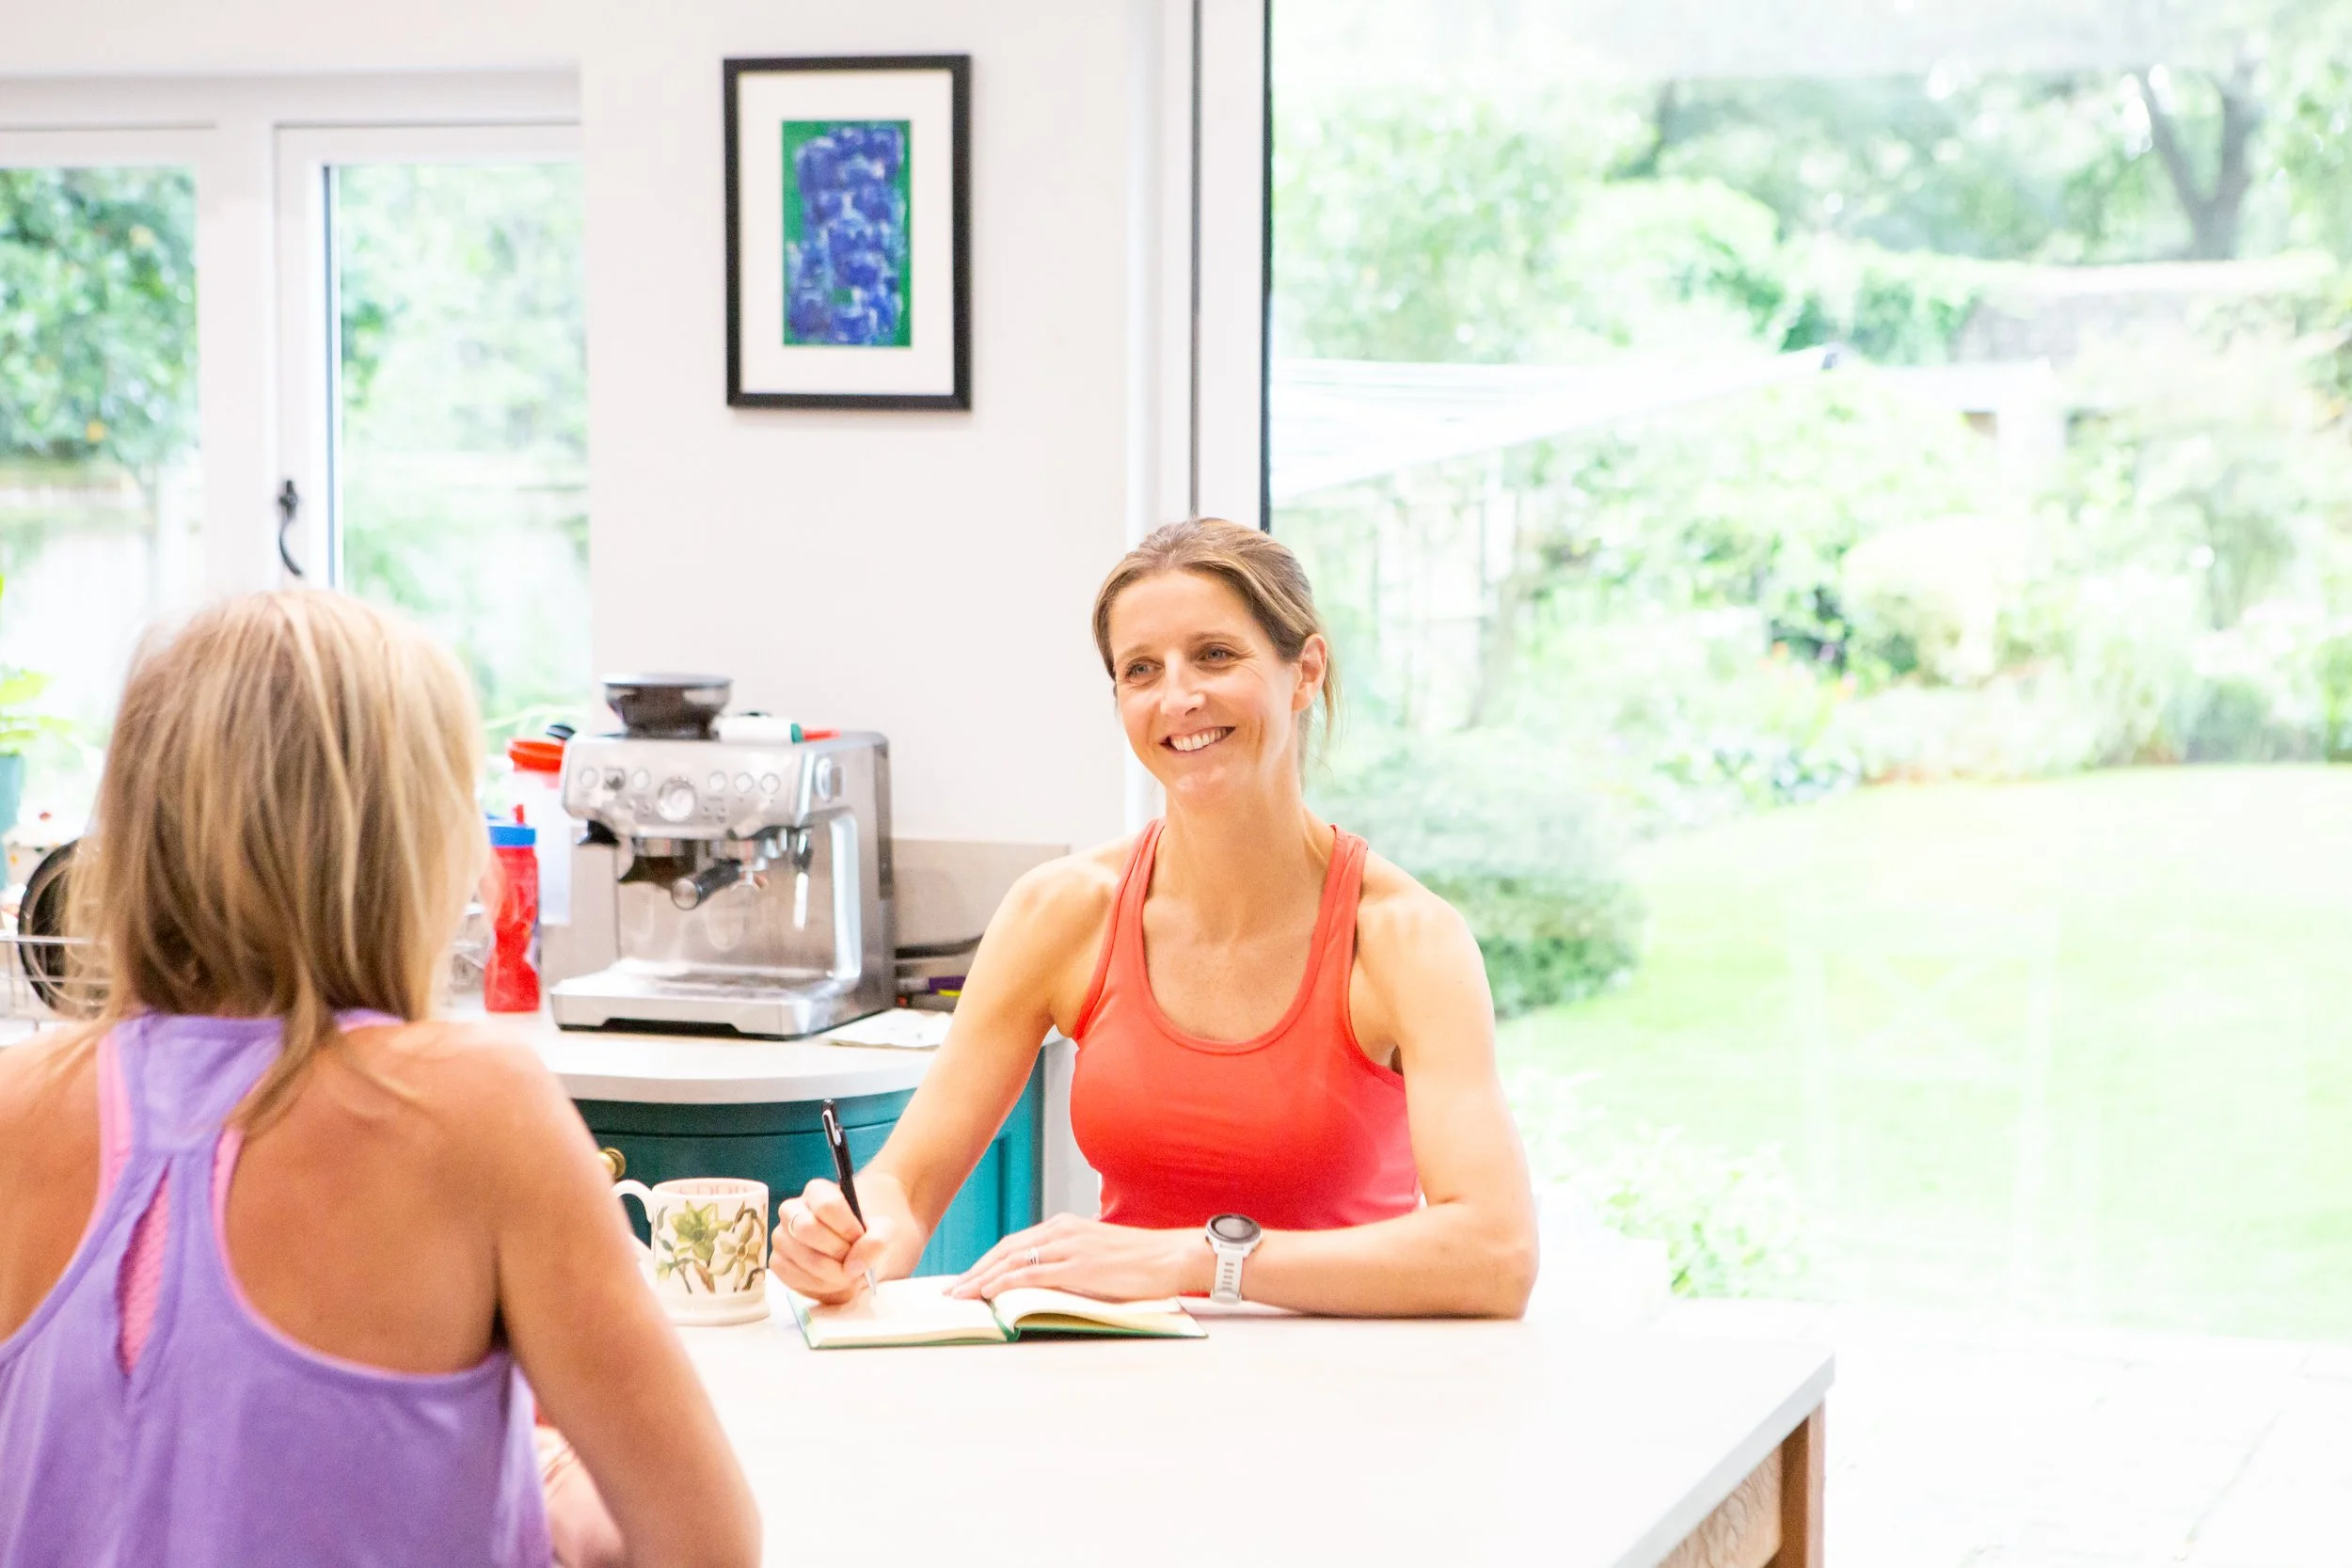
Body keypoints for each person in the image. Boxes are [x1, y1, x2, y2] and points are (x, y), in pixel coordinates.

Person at [0, 592, 757, 1568]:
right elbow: (704, 1541)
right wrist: (555, 1490)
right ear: (412, 844)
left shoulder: (17, 1103)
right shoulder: (475, 1108)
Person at [773, 519, 1538, 1317]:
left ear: (1305, 671)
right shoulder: (1061, 910)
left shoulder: (1405, 937)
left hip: (1346, 1391)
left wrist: (1195, 1256)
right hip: (1120, 1384)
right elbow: (906, 1182)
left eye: (1215, 655)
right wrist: (851, 1240)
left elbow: (1496, 1253)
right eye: (1142, 670)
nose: (1179, 697)